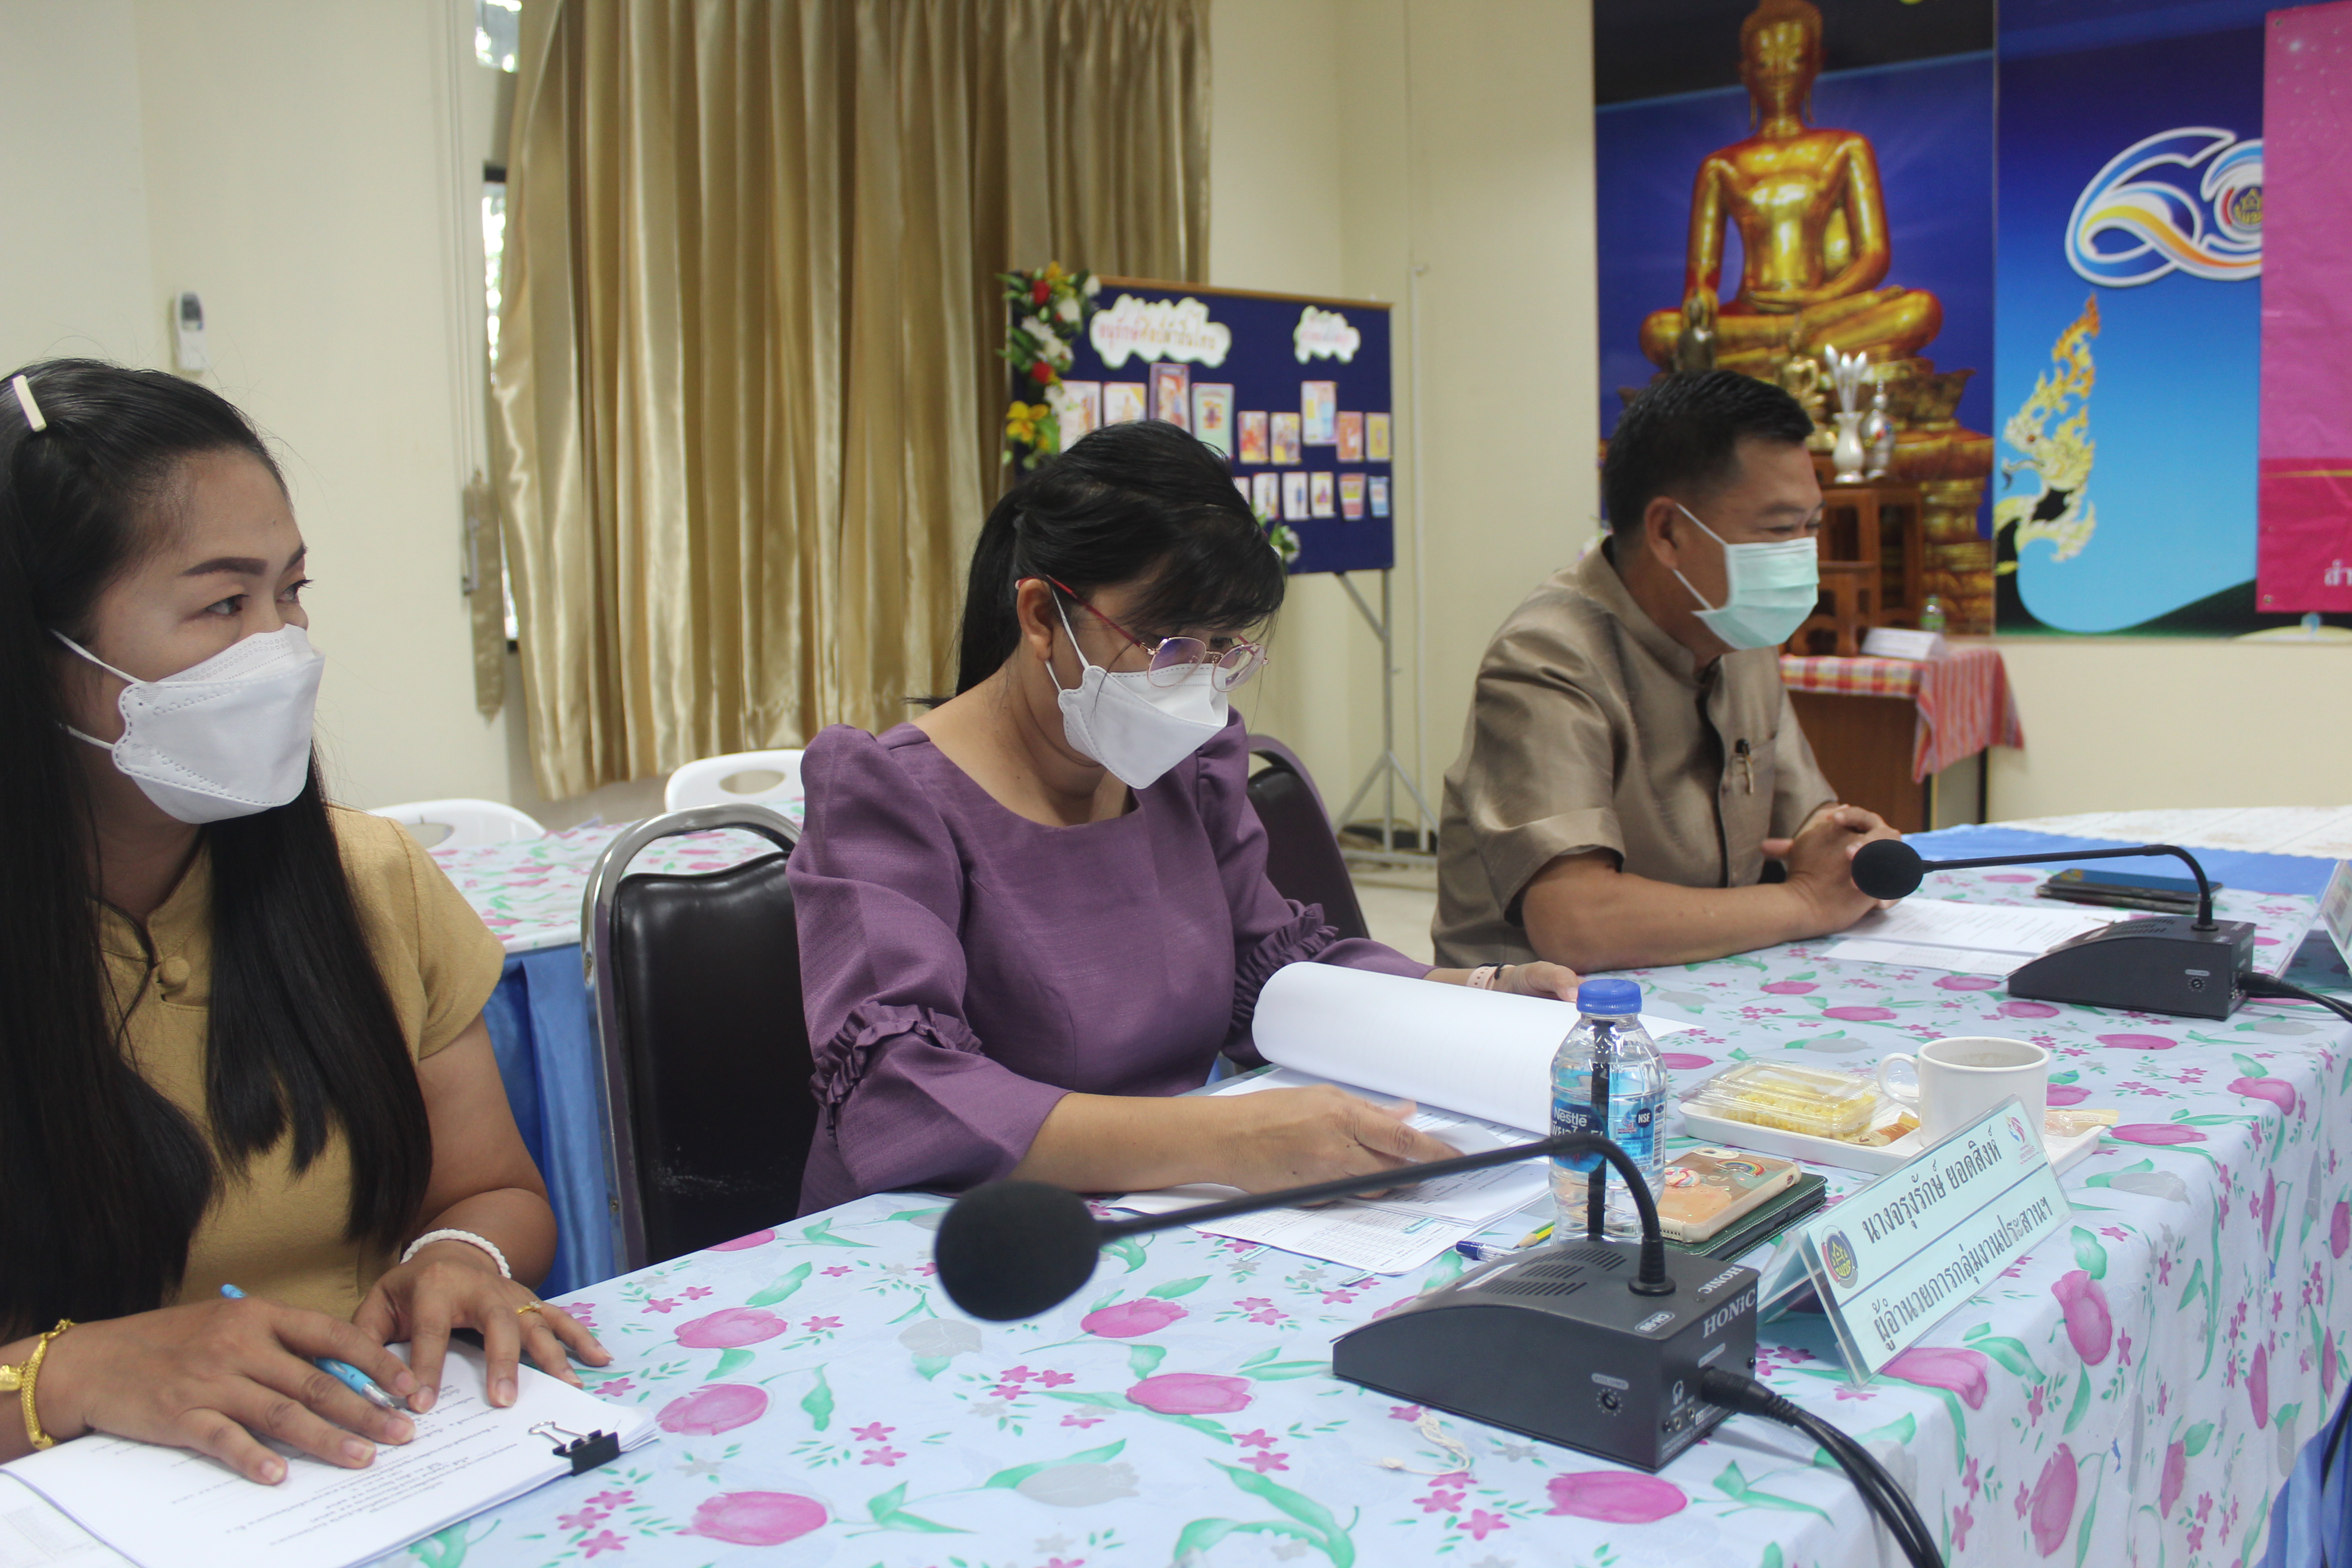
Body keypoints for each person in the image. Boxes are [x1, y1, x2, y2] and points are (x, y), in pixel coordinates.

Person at [0, 361, 604, 1485]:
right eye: (225, 604)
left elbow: (496, 1190)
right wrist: (74, 1374)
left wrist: (457, 1257)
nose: (282, 650)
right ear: (40, 655)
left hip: (375, 1468)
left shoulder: (368, 880)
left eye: (292, 593)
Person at [790, 421, 1578, 1211]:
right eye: (1170, 647)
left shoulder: (1181, 769)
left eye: (1222, 649)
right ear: (1040, 615)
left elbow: (1270, 967)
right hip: (974, 1239)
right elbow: (898, 1094)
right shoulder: (885, 794)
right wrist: (1230, 1144)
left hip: (1161, 1209)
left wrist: (1470, 991)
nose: (1199, 685)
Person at [1434, 370, 1898, 973]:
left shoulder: (1738, 632)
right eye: (1780, 529)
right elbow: (1578, 923)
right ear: (1668, 532)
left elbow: (1806, 826)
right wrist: (1807, 901)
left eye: (1812, 526)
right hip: (1553, 1025)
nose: (1802, 553)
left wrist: (1855, 849)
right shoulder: (1547, 657)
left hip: (1711, 989)